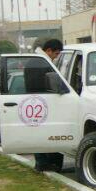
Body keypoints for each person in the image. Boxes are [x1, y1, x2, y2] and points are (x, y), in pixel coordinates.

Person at [34, 38, 65, 172]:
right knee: (46, 134)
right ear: (48, 51)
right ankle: (44, 163)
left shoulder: (37, 60)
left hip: (39, 103)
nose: (57, 57)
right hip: (45, 103)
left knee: (40, 133)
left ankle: (42, 162)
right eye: (56, 54)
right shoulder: (42, 63)